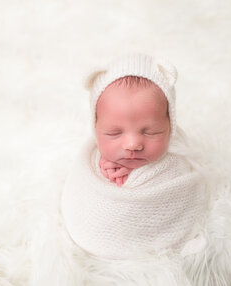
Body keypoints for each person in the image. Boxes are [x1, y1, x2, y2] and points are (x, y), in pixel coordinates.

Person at [61, 53, 208, 259]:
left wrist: (134, 174)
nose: (133, 145)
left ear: (170, 126)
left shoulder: (176, 161)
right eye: (114, 133)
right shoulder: (90, 159)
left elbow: (185, 193)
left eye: (150, 132)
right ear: (95, 127)